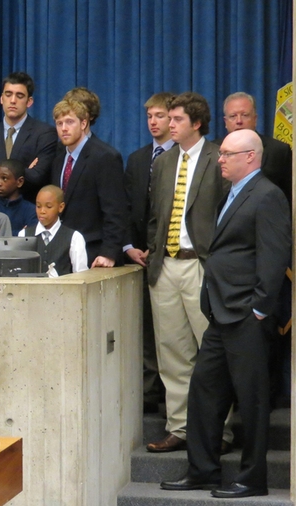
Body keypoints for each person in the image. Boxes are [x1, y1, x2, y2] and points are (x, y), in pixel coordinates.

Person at [161, 129, 291, 499]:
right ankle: (203, 470)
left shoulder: (267, 195)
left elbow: (273, 255)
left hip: (247, 315)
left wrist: (261, 310)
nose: (220, 159)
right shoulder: (232, 193)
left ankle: (252, 478)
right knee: (204, 392)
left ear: (250, 156)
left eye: (227, 154)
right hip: (221, 312)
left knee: (251, 399)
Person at [144, 92, 231, 454]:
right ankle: (179, 427)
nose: (169, 124)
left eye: (177, 119)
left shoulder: (218, 157)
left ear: (196, 123)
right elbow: (155, 216)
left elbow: (229, 213)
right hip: (166, 266)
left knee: (210, 352)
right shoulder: (163, 163)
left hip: (202, 265)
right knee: (172, 353)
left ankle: (218, 432)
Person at [123, 92, 175, 414]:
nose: (153, 122)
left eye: (160, 116)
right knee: (145, 328)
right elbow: (127, 208)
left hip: (173, 255)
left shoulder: (184, 157)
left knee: (172, 331)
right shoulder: (139, 158)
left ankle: (175, 394)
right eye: (149, 116)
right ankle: (149, 392)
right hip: (141, 254)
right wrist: (129, 246)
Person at [50, 99, 127, 267]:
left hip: (95, 250)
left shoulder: (104, 156)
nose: (64, 128)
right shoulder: (58, 156)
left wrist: (109, 252)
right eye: (59, 123)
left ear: (84, 123)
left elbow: (115, 210)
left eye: (70, 122)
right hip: (64, 251)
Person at [0, 72, 57, 202]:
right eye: (8, 94)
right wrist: (24, 172)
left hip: (29, 211)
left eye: (19, 96)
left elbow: (38, 176)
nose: (13, 100)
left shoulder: (44, 134)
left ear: (29, 101)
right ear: (1, 99)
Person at [215, 92, 292, 202]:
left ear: (255, 119)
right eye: (233, 116)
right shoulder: (213, 149)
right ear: (225, 122)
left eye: (245, 115)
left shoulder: (279, 150)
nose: (239, 121)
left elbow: (288, 197)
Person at [18, 185, 88, 276]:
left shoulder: (74, 238)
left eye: (49, 206)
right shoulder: (23, 235)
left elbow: (81, 275)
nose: (42, 211)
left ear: (61, 207)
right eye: (38, 206)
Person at [0, 159, 37, 236]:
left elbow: (29, 239)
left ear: (19, 182)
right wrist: (19, 234)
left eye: (4, 178)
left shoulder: (31, 211)